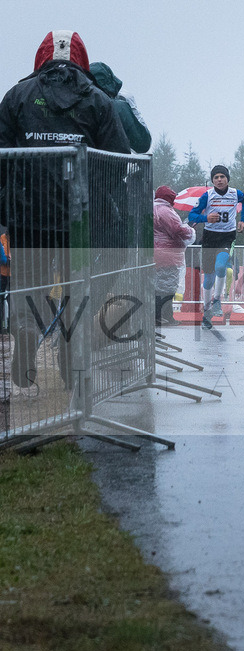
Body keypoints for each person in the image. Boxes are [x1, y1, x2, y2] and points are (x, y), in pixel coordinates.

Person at [0, 30, 130, 391]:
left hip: (27, 215)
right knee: (78, 289)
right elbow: (117, 161)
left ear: (41, 57)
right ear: (82, 60)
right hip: (80, 218)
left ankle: (26, 330)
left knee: (29, 283)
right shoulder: (97, 100)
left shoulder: (16, 96)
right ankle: (70, 357)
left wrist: (7, 203)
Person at [189, 165, 244, 330]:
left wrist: (242, 220)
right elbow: (191, 215)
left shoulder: (235, 193)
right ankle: (207, 312)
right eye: (216, 177)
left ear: (227, 179)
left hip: (227, 237)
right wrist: (206, 217)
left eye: (222, 176)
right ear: (212, 180)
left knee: (221, 266)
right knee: (208, 279)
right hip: (209, 238)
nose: (219, 180)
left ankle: (217, 300)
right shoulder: (207, 196)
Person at [153, 185, 195, 326]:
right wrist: (190, 230)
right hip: (167, 255)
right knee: (168, 288)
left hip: (154, 254)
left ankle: (162, 316)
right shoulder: (165, 211)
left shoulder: (152, 209)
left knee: (159, 286)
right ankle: (162, 317)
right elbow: (178, 230)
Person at [89, 61, 151, 153]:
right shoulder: (118, 107)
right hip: (113, 164)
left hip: (80, 163)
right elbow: (142, 144)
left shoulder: (77, 105)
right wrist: (133, 109)